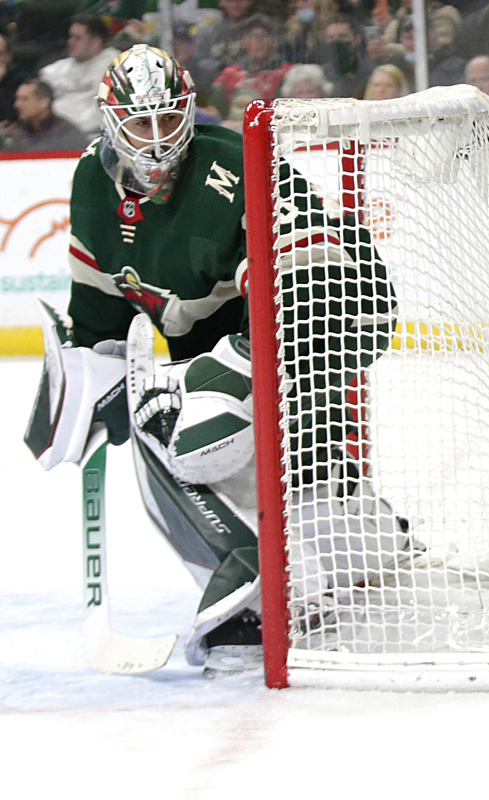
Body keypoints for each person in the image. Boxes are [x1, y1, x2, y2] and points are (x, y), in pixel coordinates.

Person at [35, 44, 398, 677]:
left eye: (169, 119)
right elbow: (99, 308)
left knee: (187, 425)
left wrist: (230, 364)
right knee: (194, 422)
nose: (156, 140)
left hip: (334, 310)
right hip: (241, 338)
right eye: (140, 124)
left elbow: (317, 290)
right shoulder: (91, 182)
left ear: (190, 111)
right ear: (110, 119)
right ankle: (362, 540)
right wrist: (89, 374)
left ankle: (260, 599)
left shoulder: (234, 164)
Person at [38, 15, 119, 136]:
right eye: (70, 37)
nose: (70, 42)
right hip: (52, 135)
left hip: (97, 134)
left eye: (77, 38)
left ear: (96, 42)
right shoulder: (52, 71)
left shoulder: (117, 66)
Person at [2, 78, 93, 151]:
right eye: (17, 99)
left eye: (25, 99)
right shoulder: (15, 135)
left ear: (44, 103)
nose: (17, 104)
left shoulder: (69, 135)